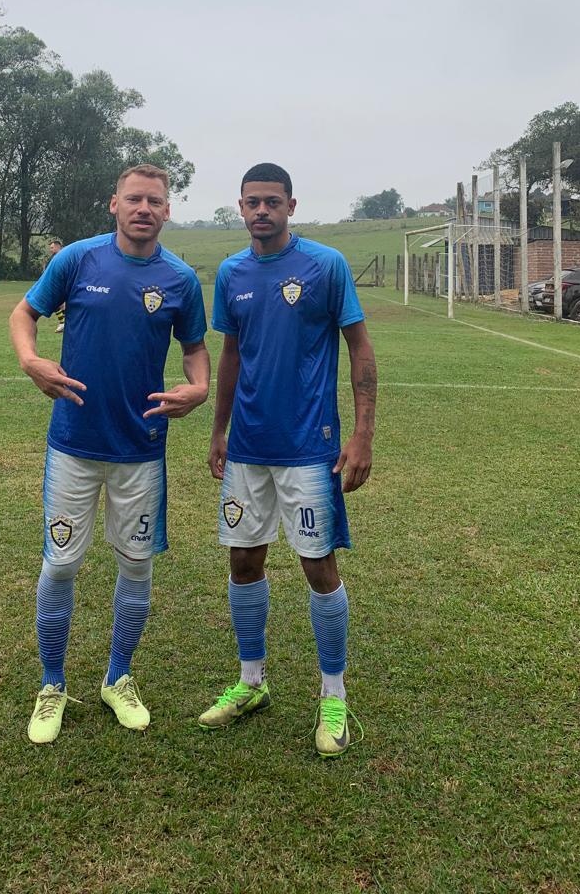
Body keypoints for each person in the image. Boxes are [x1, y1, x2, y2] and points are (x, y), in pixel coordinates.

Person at [9, 164, 210, 743]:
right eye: (134, 199)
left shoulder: (179, 279)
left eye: (155, 201)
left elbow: (194, 349)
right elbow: (25, 314)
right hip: (74, 445)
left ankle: (118, 677)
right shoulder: (77, 260)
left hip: (141, 449)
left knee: (136, 566)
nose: (144, 209)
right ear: (114, 204)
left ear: (167, 210)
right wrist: (30, 359)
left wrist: (199, 387)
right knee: (61, 565)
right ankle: (52, 684)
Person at [199, 162, 377, 757]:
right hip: (248, 448)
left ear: (291, 206)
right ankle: (252, 683)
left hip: (308, 447)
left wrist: (362, 435)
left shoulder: (326, 265)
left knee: (317, 567)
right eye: (252, 202)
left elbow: (359, 349)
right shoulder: (232, 273)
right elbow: (231, 355)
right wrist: (219, 430)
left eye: (272, 201)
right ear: (240, 207)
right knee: (243, 561)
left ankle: (334, 695)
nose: (261, 211)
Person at [46, 240, 66, 332]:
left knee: (55, 303)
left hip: (60, 284)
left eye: (52, 247)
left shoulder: (62, 256)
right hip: (58, 283)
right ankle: (64, 323)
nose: (50, 249)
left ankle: (62, 323)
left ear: (58, 247)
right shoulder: (55, 257)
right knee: (61, 304)